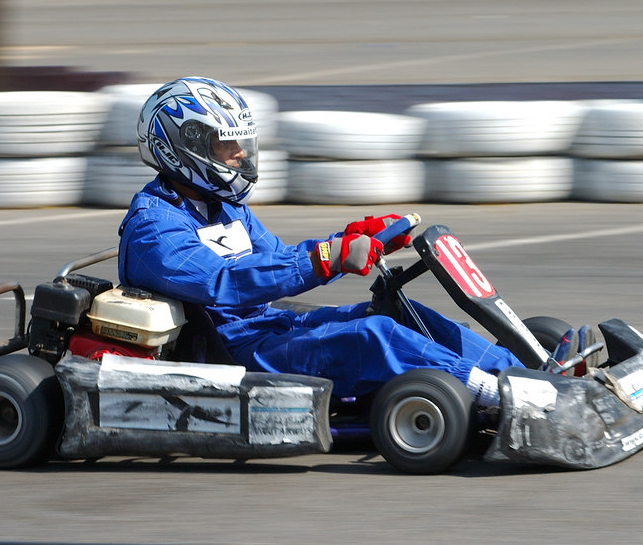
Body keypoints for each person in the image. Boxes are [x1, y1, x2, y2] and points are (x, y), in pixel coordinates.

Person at [117, 77, 522, 407]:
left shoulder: (220, 206)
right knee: (374, 336)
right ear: (184, 147)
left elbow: (275, 259)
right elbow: (225, 281)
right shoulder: (154, 226)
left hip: (270, 326)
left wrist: (349, 239)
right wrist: (328, 258)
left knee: (396, 312)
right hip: (233, 353)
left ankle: (521, 369)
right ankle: (502, 397)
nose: (239, 155)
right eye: (226, 145)